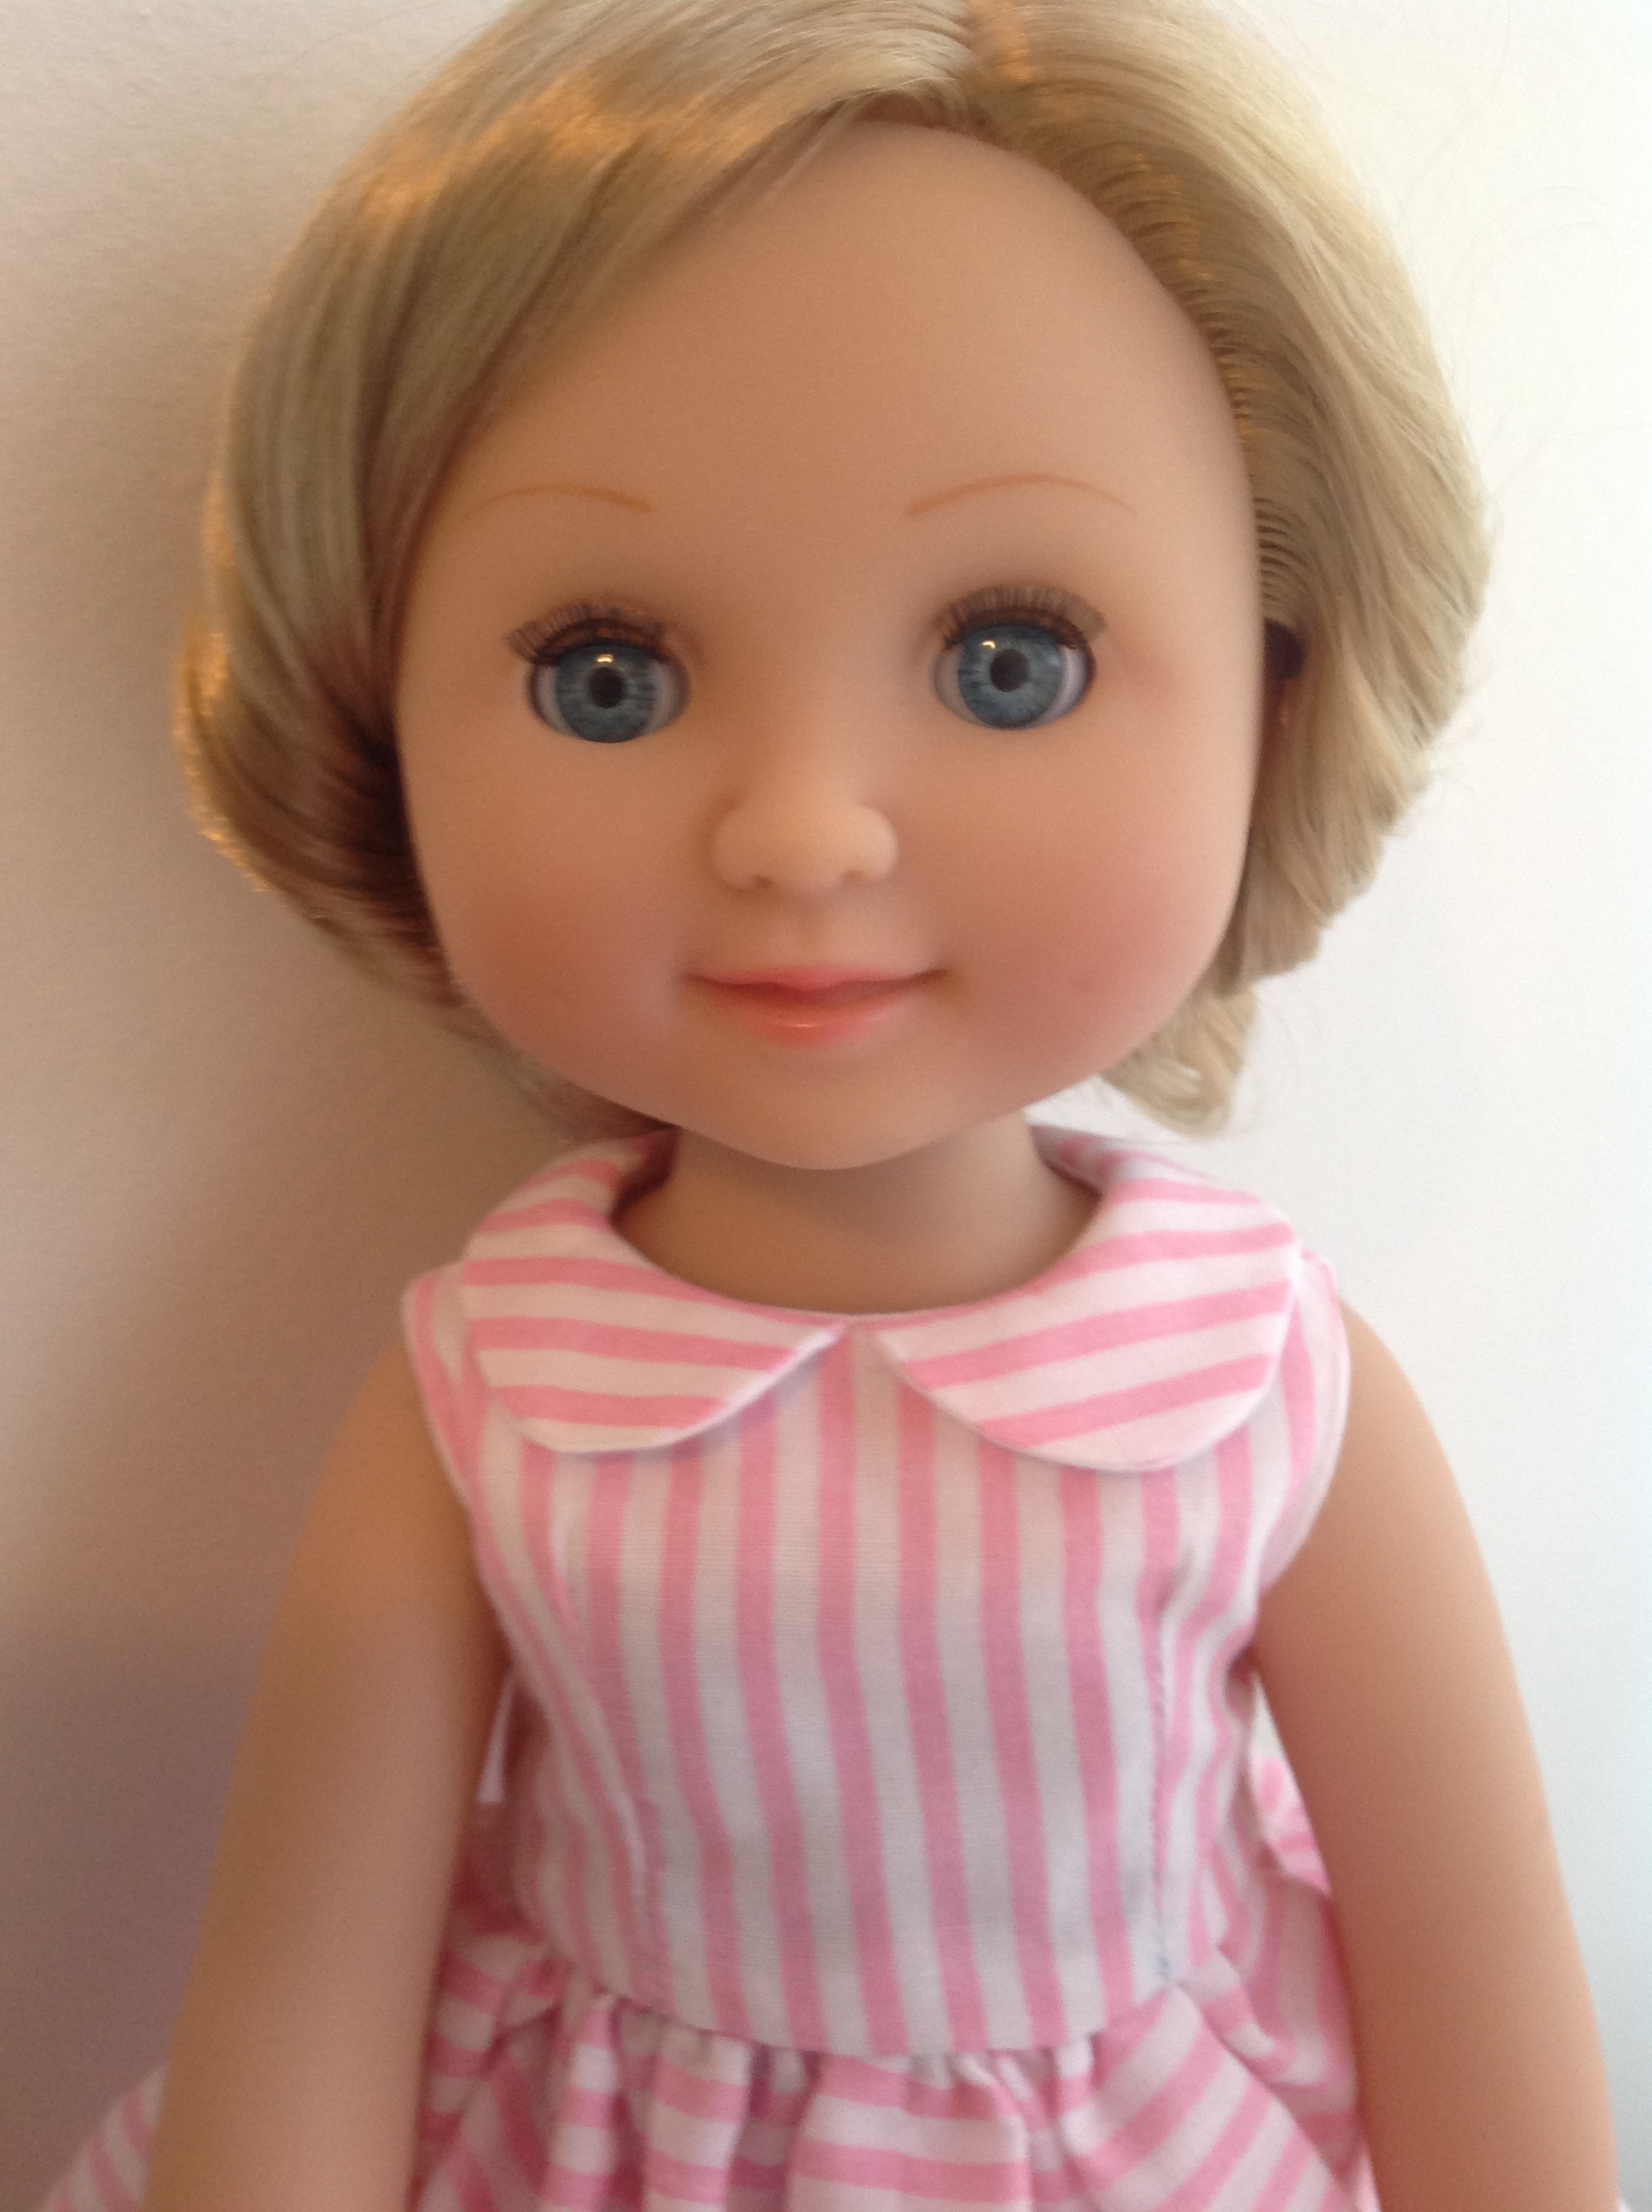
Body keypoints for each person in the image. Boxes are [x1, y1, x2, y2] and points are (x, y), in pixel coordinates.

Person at [44, 1, 1623, 2206]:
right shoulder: (493, 1389)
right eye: (608, 676)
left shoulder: (1259, 1382)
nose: (801, 829)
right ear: (372, 709)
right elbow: (301, 1988)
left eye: (1011, 664)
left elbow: (1472, 1975)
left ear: (1280, 683)